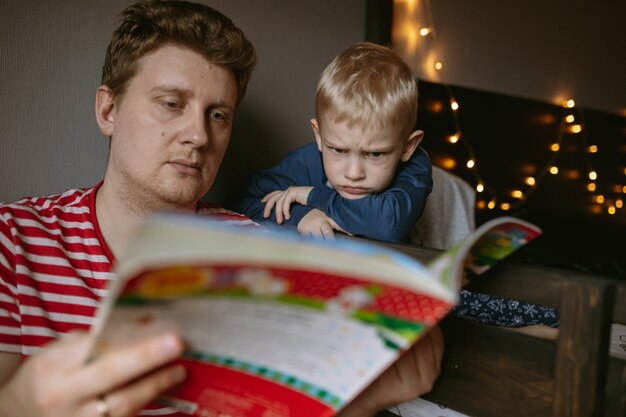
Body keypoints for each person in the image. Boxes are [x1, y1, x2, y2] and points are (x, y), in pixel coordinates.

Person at [0, 1, 442, 416]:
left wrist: (357, 403)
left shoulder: (262, 253)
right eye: (172, 104)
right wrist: (20, 404)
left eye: (218, 115)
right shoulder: (14, 241)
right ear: (108, 109)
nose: (198, 135)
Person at [235, 42, 432, 242]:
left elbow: (387, 225)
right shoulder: (305, 162)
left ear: (408, 147)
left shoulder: (415, 166)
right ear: (319, 136)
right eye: (338, 150)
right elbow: (240, 201)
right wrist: (301, 216)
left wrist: (313, 196)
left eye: (375, 154)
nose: (353, 174)